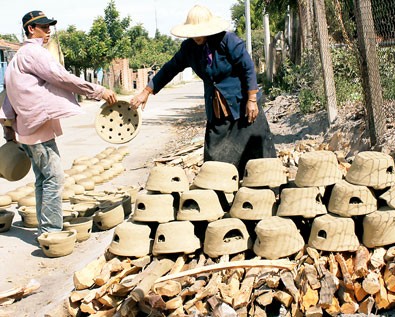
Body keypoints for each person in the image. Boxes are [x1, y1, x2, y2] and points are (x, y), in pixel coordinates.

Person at [0, 10, 117, 235]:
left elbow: (7, 97)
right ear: (30, 29)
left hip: (28, 128)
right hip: (37, 128)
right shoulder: (34, 53)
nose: (48, 32)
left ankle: (45, 226)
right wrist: (98, 91)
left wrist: (8, 130)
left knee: (43, 179)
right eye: (43, 28)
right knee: (54, 177)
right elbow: (62, 77)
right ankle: (52, 231)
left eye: (49, 28)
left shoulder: (17, 59)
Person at [130, 5, 276, 178]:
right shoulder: (188, 49)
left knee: (257, 155)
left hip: (243, 105)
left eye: (200, 32)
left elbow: (248, 67)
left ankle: (267, 192)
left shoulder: (228, 41)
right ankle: (221, 198)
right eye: (193, 32)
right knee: (215, 159)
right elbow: (170, 69)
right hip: (217, 109)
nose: (196, 36)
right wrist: (147, 91)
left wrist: (252, 99)